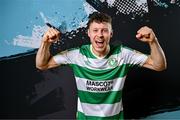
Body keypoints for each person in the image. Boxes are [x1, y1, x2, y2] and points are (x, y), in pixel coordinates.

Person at [36, 12, 167, 119]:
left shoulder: (123, 54)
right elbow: (42, 65)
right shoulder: (77, 55)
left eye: (104, 31)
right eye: (95, 30)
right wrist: (45, 42)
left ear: (111, 34)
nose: (100, 35)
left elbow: (159, 65)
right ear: (89, 33)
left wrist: (153, 41)